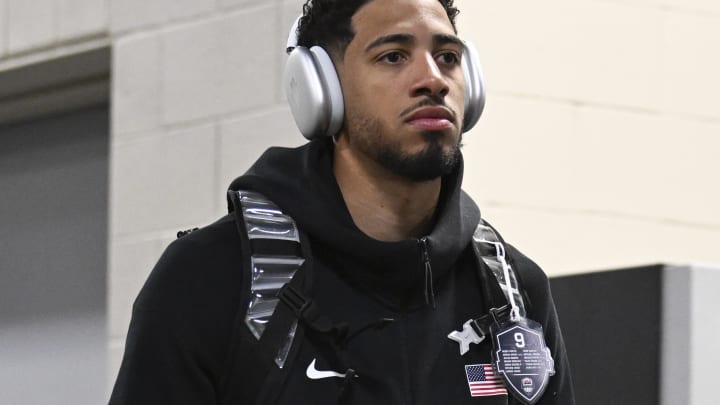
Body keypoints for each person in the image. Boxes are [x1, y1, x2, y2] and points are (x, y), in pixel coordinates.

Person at [109, 0, 575, 404]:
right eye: (393, 56)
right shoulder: (213, 277)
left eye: (448, 57)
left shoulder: (513, 292)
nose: (432, 79)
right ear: (321, 90)